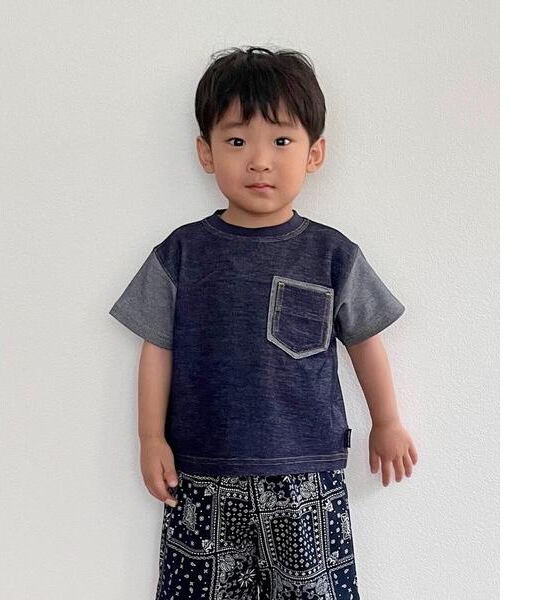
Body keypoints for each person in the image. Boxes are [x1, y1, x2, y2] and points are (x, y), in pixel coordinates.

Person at [109, 45, 418, 600]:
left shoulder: (332, 255)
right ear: (205, 152)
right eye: (236, 141)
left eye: (281, 141)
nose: (258, 160)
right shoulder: (181, 253)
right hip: (201, 473)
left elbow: (365, 339)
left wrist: (388, 420)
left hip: (306, 475)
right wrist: (150, 438)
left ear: (314, 153)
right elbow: (156, 348)